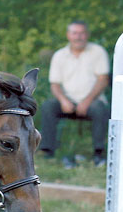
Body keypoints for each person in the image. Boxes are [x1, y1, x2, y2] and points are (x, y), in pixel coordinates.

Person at [39, 21, 110, 168]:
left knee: (100, 109)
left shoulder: (97, 52)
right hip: (68, 101)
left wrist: (87, 101)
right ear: (68, 35)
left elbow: (103, 80)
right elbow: (55, 84)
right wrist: (63, 100)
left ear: (87, 34)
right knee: (48, 106)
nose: (79, 37)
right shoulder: (59, 55)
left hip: (92, 101)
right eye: (75, 33)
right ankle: (47, 151)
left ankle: (99, 153)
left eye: (82, 33)